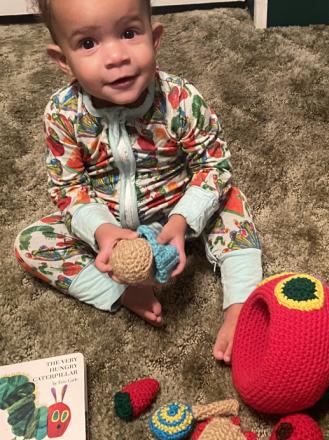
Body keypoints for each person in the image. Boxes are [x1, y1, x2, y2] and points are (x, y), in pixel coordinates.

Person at [14, 0, 262, 364]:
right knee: (31, 242)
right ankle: (121, 291)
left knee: (231, 202)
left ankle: (242, 303)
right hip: (109, 226)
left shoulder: (179, 99)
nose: (116, 56)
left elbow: (214, 164)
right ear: (63, 60)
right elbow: (68, 188)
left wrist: (183, 218)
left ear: (155, 38)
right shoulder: (62, 114)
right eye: (88, 43)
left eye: (129, 33)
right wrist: (102, 231)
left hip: (178, 212)